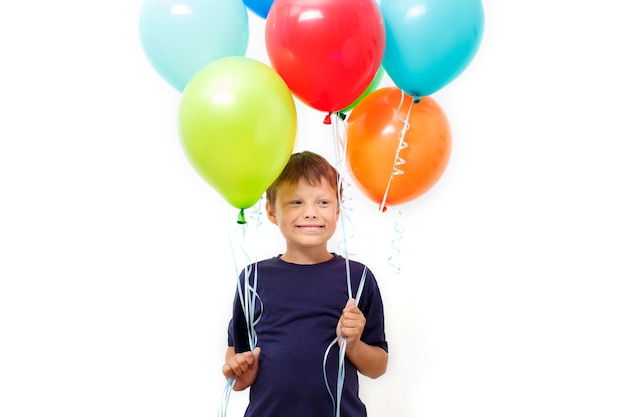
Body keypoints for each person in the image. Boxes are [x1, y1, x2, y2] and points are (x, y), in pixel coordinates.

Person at [222, 151, 388, 417]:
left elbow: (377, 367)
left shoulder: (357, 278)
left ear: (337, 209)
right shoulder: (252, 279)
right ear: (271, 211)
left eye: (322, 202)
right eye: (296, 202)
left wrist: (354, 343)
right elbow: (237, 358)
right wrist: (241, 370)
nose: (310, 213)